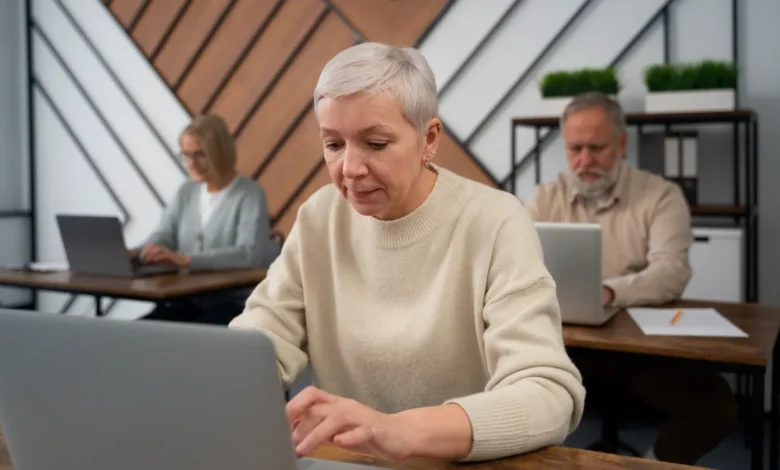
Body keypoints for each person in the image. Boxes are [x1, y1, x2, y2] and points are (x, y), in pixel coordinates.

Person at [228, 42, 585, 463]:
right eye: (333, 144)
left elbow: (548, 394)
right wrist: (219, 383)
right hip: (344, 463)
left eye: (375, 144)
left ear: (428, 138)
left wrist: (397, 430)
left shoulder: (495, 220)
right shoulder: (319, 217)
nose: (350, 169)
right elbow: (261, 335)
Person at [523, 91, 737, 465]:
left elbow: (671, 271)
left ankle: (654, 463)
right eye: (575, 149)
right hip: (560, 343)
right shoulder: (544, 198)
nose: (584, 161)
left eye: (597, 148)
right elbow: (514, 264)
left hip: (638, 350)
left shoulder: (661, 196)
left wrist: (608, 291)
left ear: (622, 143)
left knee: (714, 405)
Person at [134, 113, 280, 325]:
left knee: (188, 337)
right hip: (187, 299)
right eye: (186, 155)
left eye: (200, 154)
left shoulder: (249, 194)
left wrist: (185, 260)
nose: (191, 163)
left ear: (220, 153)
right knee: (138, 331)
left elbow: (249, 254)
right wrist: (145, 251)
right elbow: (164, 233)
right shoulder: (187, 191)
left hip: (233, 304)